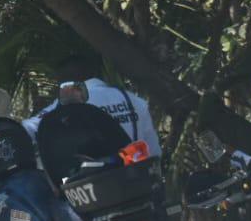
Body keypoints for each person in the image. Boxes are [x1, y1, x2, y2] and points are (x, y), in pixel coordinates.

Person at [22, 54, 160, 157]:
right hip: (140, 182)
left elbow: (31, 127)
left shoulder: (69, 103)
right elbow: (153, 151)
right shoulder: (134, 100)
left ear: (66, 84)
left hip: (100, 187)